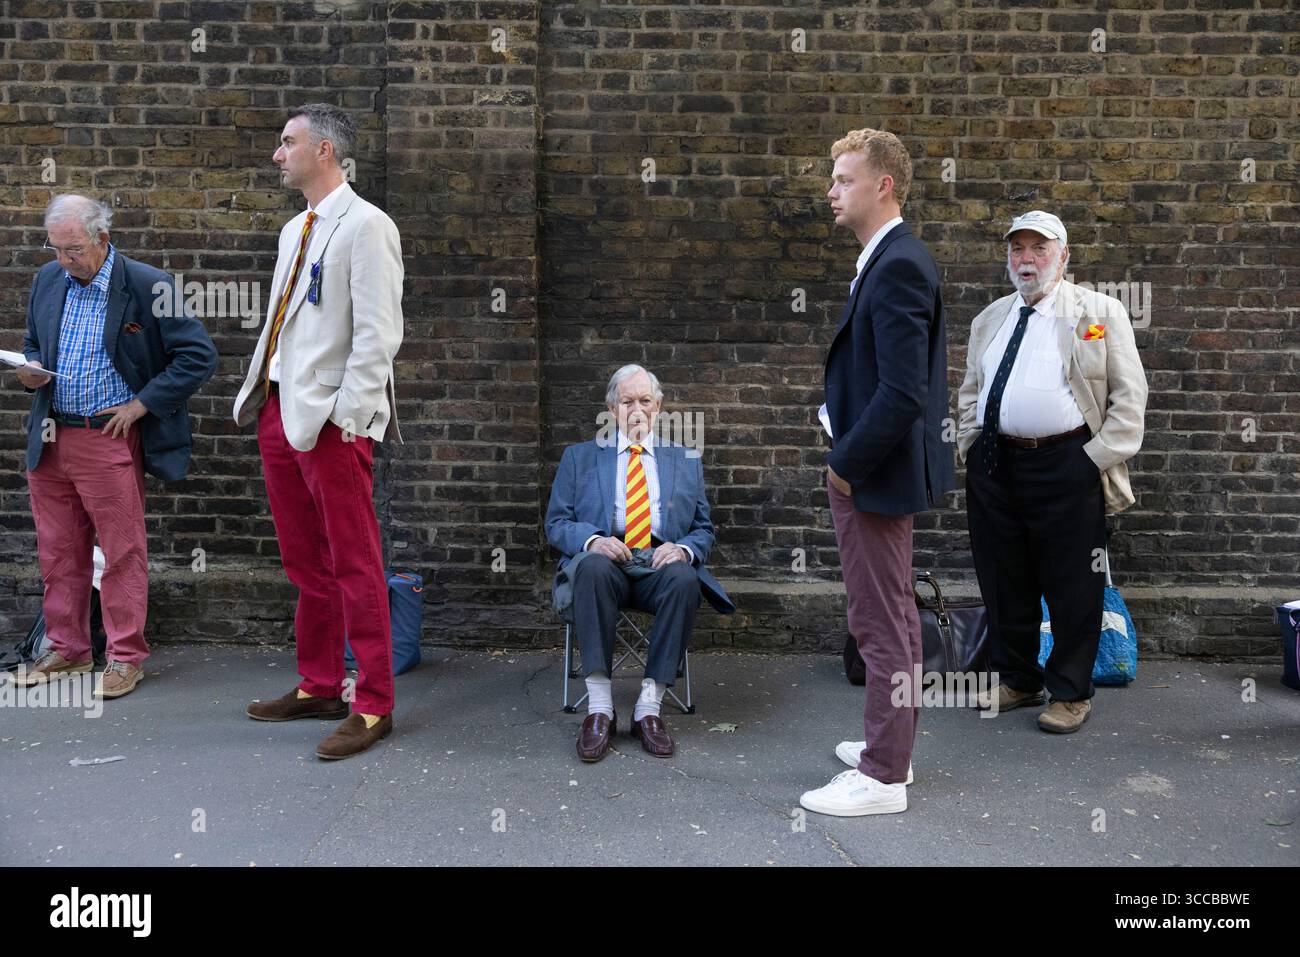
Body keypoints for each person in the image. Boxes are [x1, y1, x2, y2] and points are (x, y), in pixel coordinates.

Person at [233, 104, 405, 761]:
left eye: (288, 142)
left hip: (332, 420)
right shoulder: (294, 230)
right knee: (305, 559)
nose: (278, 154)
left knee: (355, 560)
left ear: (325, 150)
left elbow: (378, 332)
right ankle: (321, 684)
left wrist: (348, 415)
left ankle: (374, 702)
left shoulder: (367, 226)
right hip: (280, 411)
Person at [799, 129, 955, 817]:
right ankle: (890, 743)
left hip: (871, 476)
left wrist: (843, 467)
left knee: (881, 618)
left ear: (883, 184)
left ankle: (883, 775)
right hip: (873, 471)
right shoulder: (886, 258)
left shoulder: (896, 264)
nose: (831, 191)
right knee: (890, 613)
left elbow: (902, 393)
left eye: (843, 178)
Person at [14, 193, 217, 699]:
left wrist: (141, 405)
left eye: (74, 250)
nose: (64, 260)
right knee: (58, 550)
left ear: (103, 239)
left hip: (107, 435)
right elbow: (34, 342)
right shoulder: (47, 279)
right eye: (56, 249)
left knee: (122, 551)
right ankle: (68, 647)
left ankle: (126, 656)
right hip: (51, 433)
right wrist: (29, 369)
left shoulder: (149, 285)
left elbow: (197, 355)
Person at [957, 210, 1147, 733]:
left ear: (1063, 256)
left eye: (1039, 249)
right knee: (1003, 577)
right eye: (1017, 249)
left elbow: (1130, 399)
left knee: (1072, 585)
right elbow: (971, 388)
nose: (1026, 259)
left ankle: (1069, 692)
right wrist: (971, 443)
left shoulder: (1098, 312)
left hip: (1068, 462)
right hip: (995, 462)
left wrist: (1093, 459)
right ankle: (1018, 678)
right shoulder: (991, 317)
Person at [545, 364, 733, 763]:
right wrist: (594, 540)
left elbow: (704, 528)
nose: (636, 410)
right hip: (607, 570)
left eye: (645, 401)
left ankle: (649, 709)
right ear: (611, 408)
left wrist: (684, 549)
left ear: (658, 406)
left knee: (684, 579)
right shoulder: (578, 458)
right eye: (627, 401)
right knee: (592, 567)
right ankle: (600, 709)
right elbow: (556, 525)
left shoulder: (684, 458)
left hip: (657, 569)